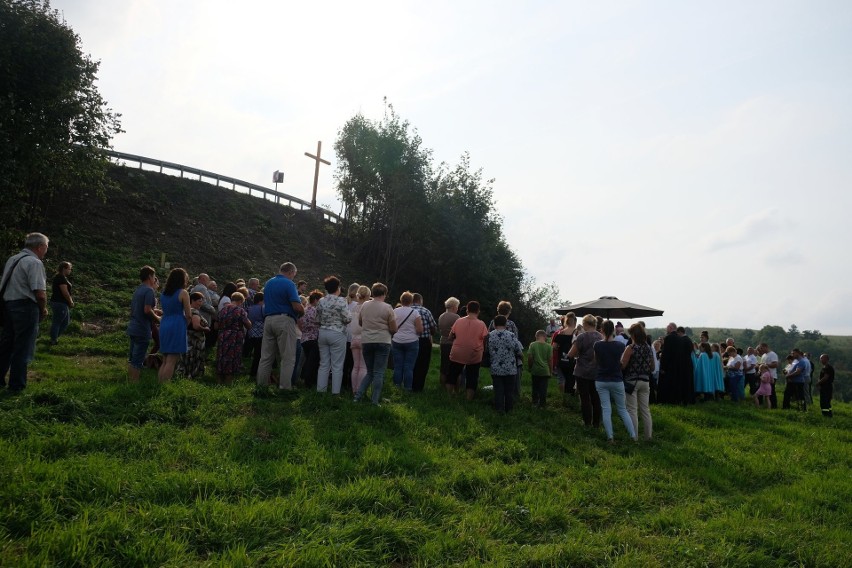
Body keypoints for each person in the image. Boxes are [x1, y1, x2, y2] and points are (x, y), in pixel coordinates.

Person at [0, 233, 49, 393]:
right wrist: (42, 310)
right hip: (25, 307)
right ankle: (16, 386)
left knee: (6, 345)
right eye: (46, 248)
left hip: (8, 306)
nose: (45, 251)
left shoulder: (13, 259)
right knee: (23, 347)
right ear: (40, 247)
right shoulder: (34, 262)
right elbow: (40, 293)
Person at [256, 262, 305, 391]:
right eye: (294, 274)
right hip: (284, 320)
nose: (294, 277)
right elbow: (296, 305)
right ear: (290, 272)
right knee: (287, 357)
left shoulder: (268, 283)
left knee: (266, 356)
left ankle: (261, 386)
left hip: (268, 319)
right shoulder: (289, 284)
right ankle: (285, 388)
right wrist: (302, 310)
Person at [354, 282, 397, 405]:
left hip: (366, 341)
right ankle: (374, 400)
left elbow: (361, 322)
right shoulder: (388, 307)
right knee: (379, 373)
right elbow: (394, 329)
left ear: (372, 293)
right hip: (383, 341)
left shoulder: (365, 305)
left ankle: (357, 397)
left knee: (370, 372)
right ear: (384, 294)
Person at [594, 320, 637, 443]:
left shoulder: (597, 345)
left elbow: (596, 361)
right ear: (613, 330)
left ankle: (610, 437)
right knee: (623, 410)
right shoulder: (620, 346)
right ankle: (633, 436)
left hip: (601, 379)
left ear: (601, 330)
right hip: (617, 379)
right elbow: (622, 363)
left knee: (606, 409)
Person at [316, 276, 352, 395]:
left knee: (323, 363)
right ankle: (335, 393)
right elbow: (347, 319)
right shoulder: (342, 301)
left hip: (322, 332)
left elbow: (317, 319)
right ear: (338, 287)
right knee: (337, 365)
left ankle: (320, 391)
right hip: (337, 333)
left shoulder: (321, 301)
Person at [447, 301, 489, 400]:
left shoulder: (458, 321)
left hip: (457, 351)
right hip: (474, 353)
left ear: (467, 310)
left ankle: (449, 396)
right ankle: (468, 399)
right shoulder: (481, 324)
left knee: (452, 373)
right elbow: (485, 338)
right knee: (472, 376)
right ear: (478, 311)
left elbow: (450, 336)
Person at [567, 314, 603, 428]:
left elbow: (571, 354)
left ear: (585, 324)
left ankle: (587, 422)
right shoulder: (601, 337)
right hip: (596, 371)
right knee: (596, 397)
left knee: (585, 397)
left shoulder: (581, 337)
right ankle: (596, 423)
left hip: (582, 371)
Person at [157, 268, 192, 383]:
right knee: (172, 360)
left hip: (164, 323)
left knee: (165, 359)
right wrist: (185, 324)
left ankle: (159, 382)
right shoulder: (183, 293)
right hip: (177, 324)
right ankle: (164, 385)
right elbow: (188, 314)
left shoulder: (164, 293)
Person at [126, 265, 160, 382]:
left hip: (133, 327)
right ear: (150, 276)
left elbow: (138, 308)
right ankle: (133, 384)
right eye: (154, 276)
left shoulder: (138, 290)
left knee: (132, 358)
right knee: (138, 360)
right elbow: (147, 310)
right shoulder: (149, 290)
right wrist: (158, 319)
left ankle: (129, 381)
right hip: (142, 328)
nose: (154, 279)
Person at [621, 323, 654, 441]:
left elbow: (623, 366)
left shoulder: (630, 348)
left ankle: (634, 437)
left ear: (633, 335)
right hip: (645, 381)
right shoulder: (649, 348)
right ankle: (648, 436)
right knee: (645, 410)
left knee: (632, 410)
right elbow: (653, 368)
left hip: (631, 382)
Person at [488, 315, 523, 413]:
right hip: (510, 368)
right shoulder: (511, 335)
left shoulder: (490, 335)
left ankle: (499, 409)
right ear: (506, 324)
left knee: (498, 390)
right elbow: (519, 351)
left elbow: (486, 350)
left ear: (494, 324)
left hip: (496, 368)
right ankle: (509, 410)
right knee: (509, 391)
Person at [216, 291, 251, 385]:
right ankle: (228, 382)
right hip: (234, 337)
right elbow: (247, 324)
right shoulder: (240, 310)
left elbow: (216, 325)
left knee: (221, 356)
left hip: (222, 335)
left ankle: (219, 381)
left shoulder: (223, 310)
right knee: (232, 357)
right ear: (240, 301)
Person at [391, 291, 423, 392]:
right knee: (408, 366)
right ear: (411, 301)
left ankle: (396, 387)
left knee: (397, 365)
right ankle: (407, 388)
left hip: (397, 340)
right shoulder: (415, 313)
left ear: (401, 300)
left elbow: (391, 326)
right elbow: (419, 329)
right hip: (412, 341)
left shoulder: (395, 311)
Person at [178, 291, 210, 379]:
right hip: (194, 340)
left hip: (187, 337)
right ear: (192, 300)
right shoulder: (194, 312)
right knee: (193, 357)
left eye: (202, 301)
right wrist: (205, 329)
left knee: (186, 356)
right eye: (199, 300)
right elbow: (196, 326)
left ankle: (184, 374)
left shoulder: (185, 310)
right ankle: (192, 375)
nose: (201, 303)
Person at [411, 293, 437, 392]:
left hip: (410, 340)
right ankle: (418, 387)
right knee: (422, 364)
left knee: (411, 363)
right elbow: (433, 327)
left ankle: (409, 384)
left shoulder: (406, 310)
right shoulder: (425, 311)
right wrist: (431, 334)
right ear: (420, 300)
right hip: (424, 341)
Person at [348, 285, 371, 394]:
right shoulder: (367, 307)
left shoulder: (353, 307)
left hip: (353, 338)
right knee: (363, 367)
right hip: (364, 338)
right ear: (367, 295)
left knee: (355, 366)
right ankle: (360, 391)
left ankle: (354, 389)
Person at [299, 290, 323, 388]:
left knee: (308, 360)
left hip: (304, 338)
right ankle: (309, 383)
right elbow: (320, 322)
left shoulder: (304, 309)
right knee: (312, 362)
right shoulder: (315, 310)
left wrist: (304, 331)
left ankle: (305, 380)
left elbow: (299, 322)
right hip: (313, 338)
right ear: (316, 300)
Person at [551, 312, 577, 395]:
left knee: (562, 379)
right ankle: (571, 398)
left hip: (561, 360)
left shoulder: (560, 333)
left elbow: (554, 347)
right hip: (573, 361)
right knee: (571, 380)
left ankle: (564, 397)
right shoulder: (577, 333)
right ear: (575, 321)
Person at [49, 261, 74, 345]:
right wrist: (70, 301)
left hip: (62, 303)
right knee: (57, 321)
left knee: (65, 322)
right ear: (64, 268)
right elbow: (65, 292)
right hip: (59, 302)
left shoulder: (63, 277)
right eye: (69, 269)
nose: (70, 270)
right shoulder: (60, 278)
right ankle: (53, 340)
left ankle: (54, 337)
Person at [438, 297, 460, 388]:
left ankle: (442, 385)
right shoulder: (456, 317)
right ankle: (454, 386)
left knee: (443, 365)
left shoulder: (441, 316)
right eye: (457, 306)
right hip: (452, 343)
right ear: (454, 307)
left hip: (443, 342)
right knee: (454, 366)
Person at [528, 330, 552, 408]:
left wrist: (530, 367)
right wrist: (550, 371)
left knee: (535, 387)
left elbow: (530, 358)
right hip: (545, 371)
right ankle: (542, 404)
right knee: (543, 389)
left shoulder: (533, 345)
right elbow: (550, 361)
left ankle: (534, 403)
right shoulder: (549, 346)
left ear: (536, 336)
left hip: (535, 370)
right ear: (545, 337)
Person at [244, 292, 264, 377]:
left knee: (255, 353)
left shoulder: (250, 308)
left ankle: (252, 371)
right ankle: (255, 372)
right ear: (261, 300)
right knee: (258, 354)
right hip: (260, 333)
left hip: (251, 333)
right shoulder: (262, 308)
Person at [757, 342, 779, 409]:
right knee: (761, 390)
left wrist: (766, 365)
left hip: (771, 376)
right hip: (763, 376)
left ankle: (774, 407)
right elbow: (762, 364)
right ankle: (761, 404)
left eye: (761, 348)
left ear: (765, 347)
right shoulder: (764, 355)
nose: (760, 350)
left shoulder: (772, 354)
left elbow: (775, 364)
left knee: (771, 392)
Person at [817, 354, 834, 418]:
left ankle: (826, 415)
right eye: (820, 358)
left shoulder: (827, 367)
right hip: (825, 387)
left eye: (822, 358)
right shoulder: (824, 367)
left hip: (826, 387)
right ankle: (829, 415)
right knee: (827, 402)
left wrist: (818, 383)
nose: (820, 360)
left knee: (824, 402)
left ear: (826, 359)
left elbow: (825, 377)